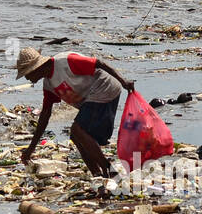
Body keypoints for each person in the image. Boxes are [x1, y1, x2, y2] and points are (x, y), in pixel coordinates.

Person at [16, 47, 135, 177]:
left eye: (27, 73)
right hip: (92, 97)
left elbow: (99, 63)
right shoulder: (49, 84)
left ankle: (109, 170)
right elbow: (45, 115)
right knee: (76, 136)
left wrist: (123, 81)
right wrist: (31, 149)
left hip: (104, 87)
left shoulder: (65, 62)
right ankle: (96, 174)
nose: (27, 78)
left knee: (77, 130)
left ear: (36, 68)